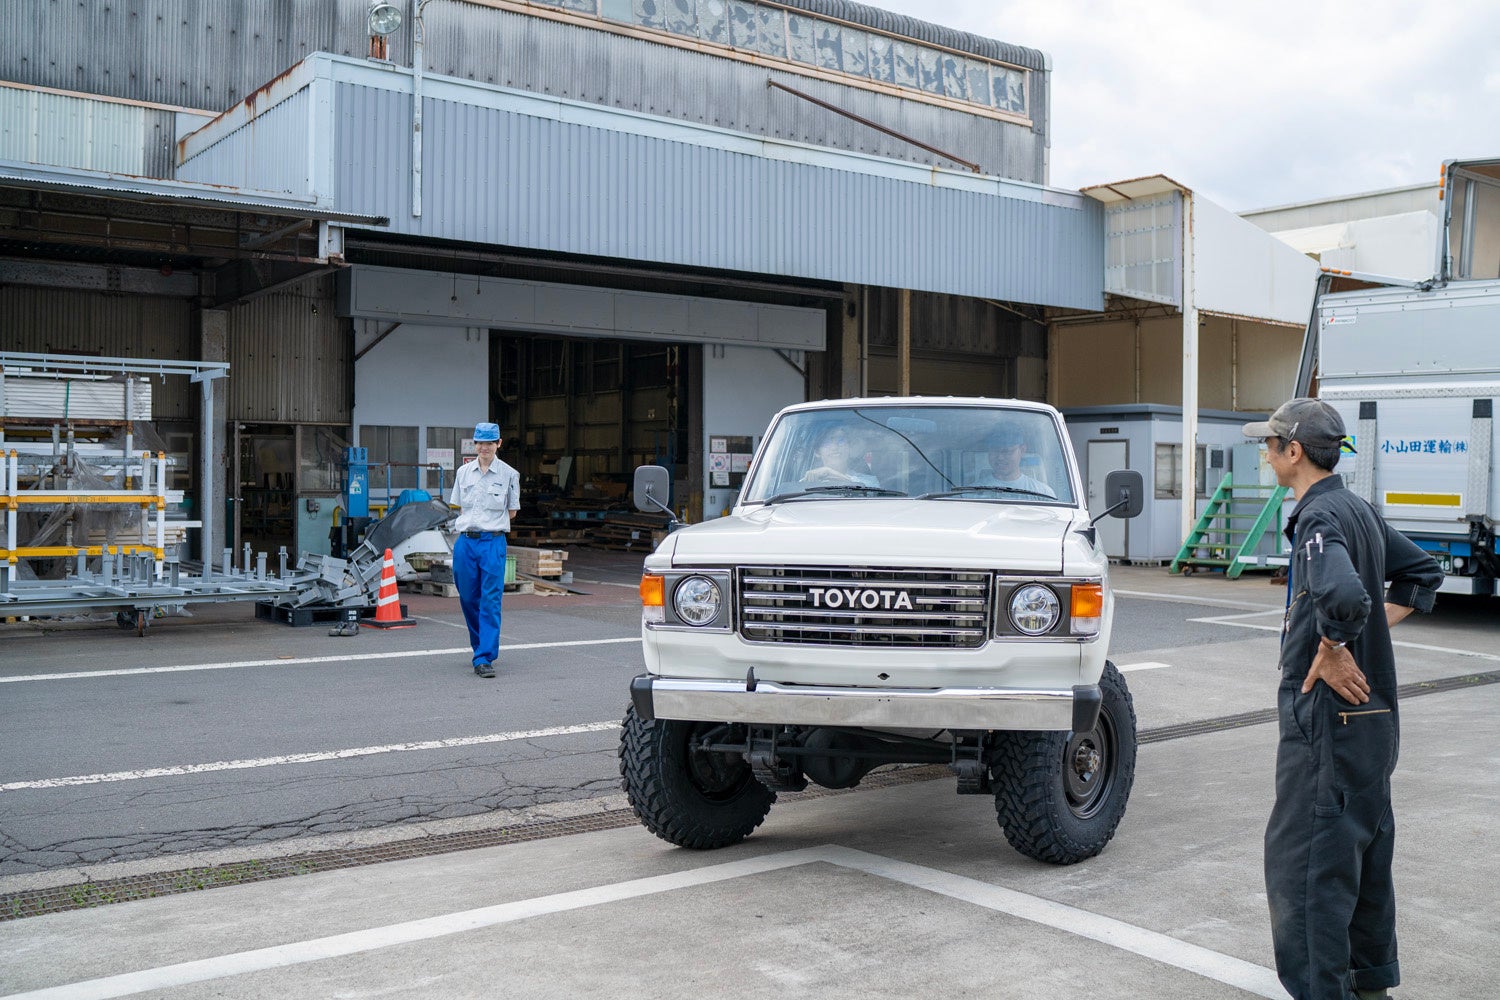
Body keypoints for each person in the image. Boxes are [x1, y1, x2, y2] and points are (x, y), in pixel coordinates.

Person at [1245, 398, 1441, 1000]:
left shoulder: (1318, 518)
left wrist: (1333, 645)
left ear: (1293, 451)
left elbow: (1346, 598)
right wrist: (1367, 633)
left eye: (1270, 444)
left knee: (1305, 870)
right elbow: (1422, 572)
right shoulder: (1359, 509)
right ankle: (1369, 985)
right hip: (1373, 722)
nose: (1265, 454)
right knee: (1364, 860)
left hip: (1327, 726)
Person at [448, 422, 520, 679]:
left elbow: (512, 512)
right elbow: (460, 506)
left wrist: (490, 527)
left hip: (492, 542)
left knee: (490, 600)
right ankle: (480, 647)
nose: (484, 448)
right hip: (466, 542)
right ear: (475, 444)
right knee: (468, 598)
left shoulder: (509, 474)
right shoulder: (463, 473)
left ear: (498, 444)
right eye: (480, 443)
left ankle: (484, 656)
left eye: (490, 443)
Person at [981, 424, 1055, 497]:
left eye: (1007, 451)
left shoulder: (1043, 494)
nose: (1000, 457)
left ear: (1022, 450)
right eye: (995, 450)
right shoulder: (975, 493)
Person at [801, 425, 879, 486]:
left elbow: (873, 494)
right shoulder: (805, 484)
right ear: (817, 452)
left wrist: (831, 473)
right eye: (827, 443)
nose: (834, 447)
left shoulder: (869, 481)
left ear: (849, 447)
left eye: (841, 441)